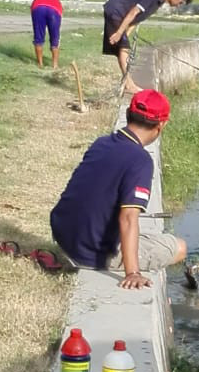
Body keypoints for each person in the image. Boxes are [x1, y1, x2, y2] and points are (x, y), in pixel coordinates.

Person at [50, 89, 186, 290]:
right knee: (179, 247)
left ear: (128, 114)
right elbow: (128, 217)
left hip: (64, 236)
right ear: (161, 125)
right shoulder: (141, 160)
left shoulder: (102, 143)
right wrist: (133, 272)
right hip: (90, 253)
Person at [103, 0, 192, 93]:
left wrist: (125, 35)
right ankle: (129, 85)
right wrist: (119, 32)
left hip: (120, 14)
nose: (178, 5)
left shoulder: (159, 0)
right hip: (116, 11)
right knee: (123, 48)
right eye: (180, 2)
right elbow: (134, 11)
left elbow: (136, 20)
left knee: (122, 47)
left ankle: (127, 83)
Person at [30, 0, 63, 69]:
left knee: (38, 37)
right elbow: (60, 14)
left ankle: (40, 64)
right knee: (55, 38)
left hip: (38, 8)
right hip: (54, 10)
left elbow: (32, 8)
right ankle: (55, 65)